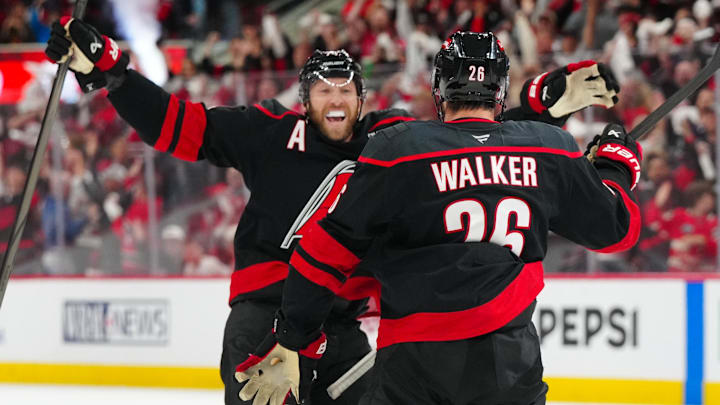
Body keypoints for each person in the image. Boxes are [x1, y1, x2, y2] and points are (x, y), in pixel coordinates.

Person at [45, 19, 620, 405]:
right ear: (304, 99)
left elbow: (477, 151)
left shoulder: (393, 139)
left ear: (363, 99)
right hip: (269, 318)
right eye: (324, 91)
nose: (337, 100)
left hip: (341, 328)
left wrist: (540, 110)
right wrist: (113, 74)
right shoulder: (266, 132)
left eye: (347, 90)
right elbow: (177, 125)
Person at [234, 32, 640, 405]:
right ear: (499, 89)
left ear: (440, 88)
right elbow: (616, 229)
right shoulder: (549, 149)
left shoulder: (400, 150)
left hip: (413, 363)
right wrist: (612, 169)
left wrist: (290, 337)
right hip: (508, 361)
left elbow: (324, 252)